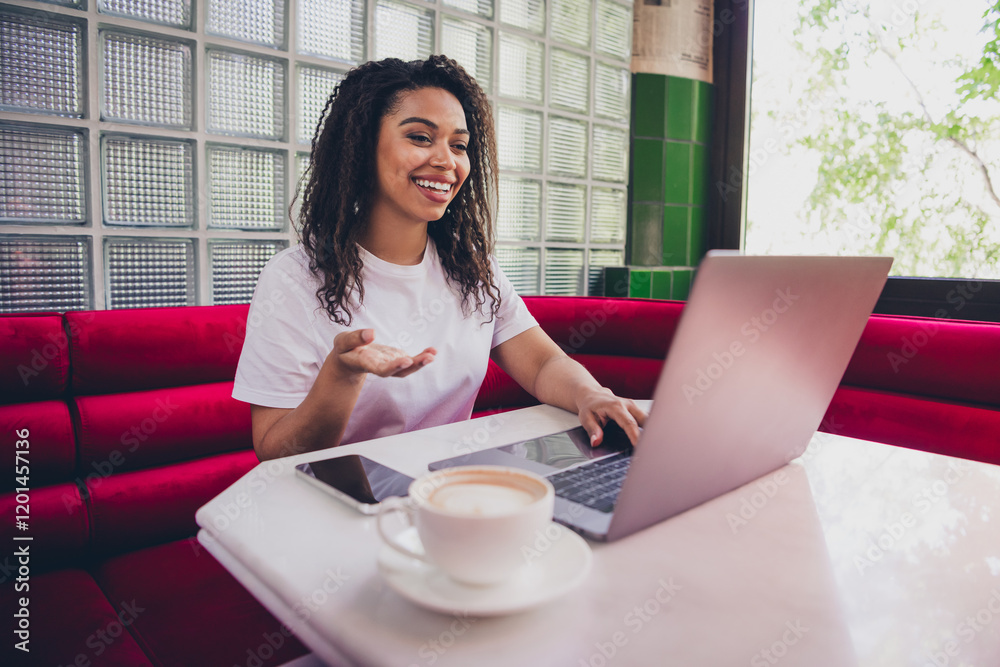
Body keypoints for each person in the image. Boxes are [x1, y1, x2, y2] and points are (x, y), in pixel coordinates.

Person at [233, 55, 646, 461]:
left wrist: (590, 394)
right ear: (361, 148)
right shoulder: (296, 278)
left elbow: (542, 364)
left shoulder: (470, 268)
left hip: (445, 492)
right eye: (420, 137)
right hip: (337, 505)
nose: (447, 161)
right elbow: (274, 449)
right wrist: (342, 375)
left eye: (459, 145)